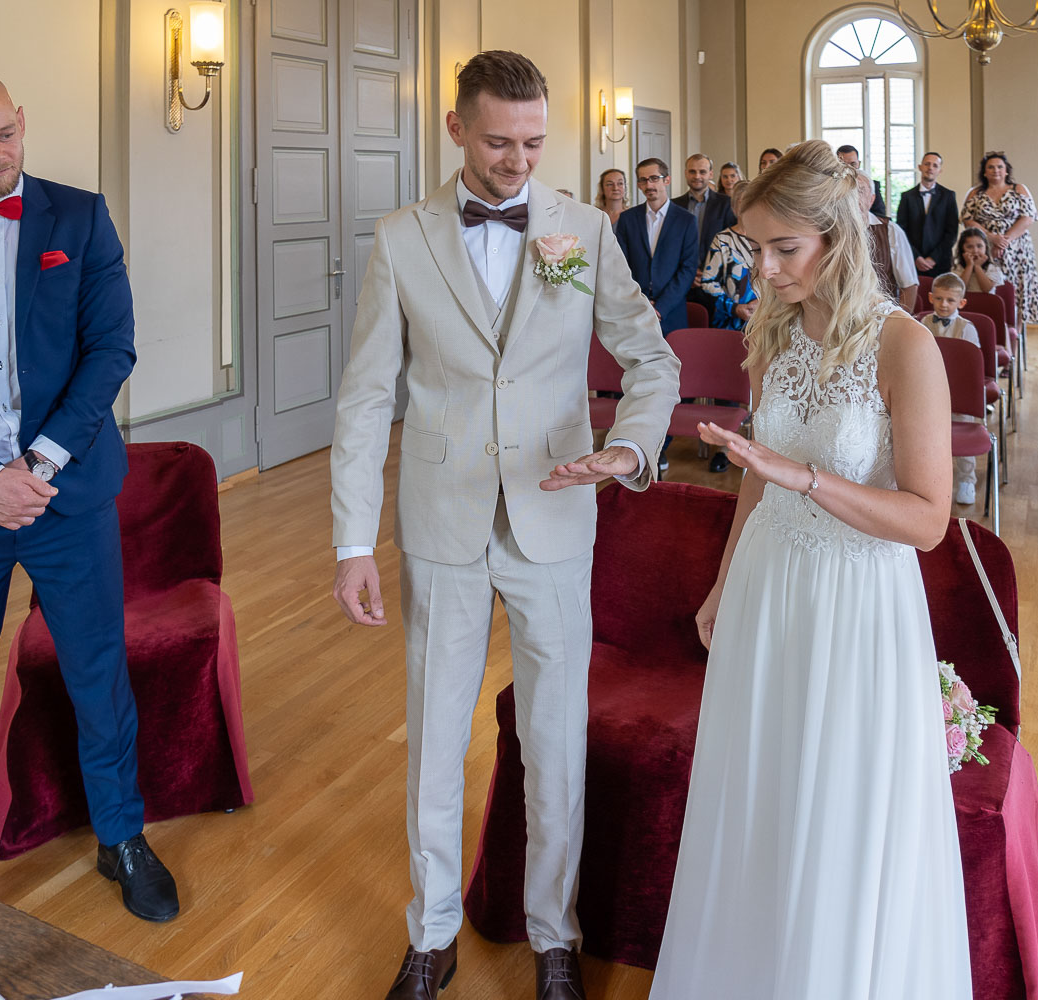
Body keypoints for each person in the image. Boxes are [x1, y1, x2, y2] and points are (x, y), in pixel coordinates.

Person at [329, 51, 680, 1000]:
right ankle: (432, 932)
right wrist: (352, 541)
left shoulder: (585, 230)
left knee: (556, 738)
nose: (517, 160)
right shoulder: (401, 238)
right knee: (435, 736)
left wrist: (630, 449)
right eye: (496, 142)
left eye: (532, 142)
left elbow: (652, 359)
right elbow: (365, 399)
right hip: (441, 520)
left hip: (556, 512)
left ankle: (553, 934)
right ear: (454, 130)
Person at [650, 138, 970, 1000]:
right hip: (768, 588)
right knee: (761, 799)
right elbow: (757, 474)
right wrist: (723, 581)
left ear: (836, 236)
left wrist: (806, 478)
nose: (763, 266)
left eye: (782, 247)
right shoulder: (777, 335)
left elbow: (929, 520)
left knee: (840, 810)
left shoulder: (906, 347)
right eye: (755, 246)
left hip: (855, 604)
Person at [0, 71, 179, 920]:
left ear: (22, 121)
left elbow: (111, 350)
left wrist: (38, 468)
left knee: (97, 676)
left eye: (5, 134)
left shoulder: (79, 217)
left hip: (66, 497)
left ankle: (122, 837)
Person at [615, 157, 701, 335]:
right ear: (638, 184)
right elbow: (621, 265)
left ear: (666, 180)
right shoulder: (627, 219)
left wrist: (661, 307)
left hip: (671, 312)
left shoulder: (686, 220)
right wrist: (641, 303)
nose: (649, 185)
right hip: (635, 310)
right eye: (643, 180)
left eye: (654, 178)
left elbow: (688, 269)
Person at [960, 151, 1038, 326]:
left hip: (1017, 250)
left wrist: (1004, 241)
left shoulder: (1019, 189)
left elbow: (1028, 217)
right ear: (984, 172)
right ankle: (987, 329)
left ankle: (1015, 337)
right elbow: (967, 219)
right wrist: (990, 238)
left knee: (1016, 293)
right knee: (988, 290)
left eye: (999, 167)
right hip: (983, 249)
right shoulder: (975, 192)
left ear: (1006, 171)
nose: (995, 170)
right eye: (991, 167)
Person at [924, 273, 984, 505]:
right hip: (929, 390)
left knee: (964, 428)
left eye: (950, 300)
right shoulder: (923, 323)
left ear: (961, 303)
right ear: (930, 298)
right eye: (938, 299)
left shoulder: (966, 328)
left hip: (957, 392)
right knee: (929, 435)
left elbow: (971, 366)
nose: (944, 304)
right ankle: (932, 480)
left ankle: (966, 479)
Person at [673, 152, 738, 318]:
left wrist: (707, 273)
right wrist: (688, 273)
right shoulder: (674, 206)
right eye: (692, 171)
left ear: (710, 174)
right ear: (686, 173)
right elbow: (670, 245)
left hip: (716, 285)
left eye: (702, 172)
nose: (697, 176)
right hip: (680, 284)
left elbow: (731, 245)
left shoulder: (725, 204)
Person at [698, 181, 758, 333]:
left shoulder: (767, 238)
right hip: (729, 324)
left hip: (766, 321)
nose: (747, 206)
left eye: (752, 201)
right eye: (742, 201)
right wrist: (734, 308)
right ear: (733, 207)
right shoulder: (722, 240)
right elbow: (708, 282)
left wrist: (762, 304)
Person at [854, 169, 917, 312]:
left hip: (879, 318)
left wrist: (899, 325)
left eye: (860, 191)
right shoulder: (830, 232)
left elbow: (908, 287)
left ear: (871, 199)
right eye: (849, 192)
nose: (853, 197)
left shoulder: (891, 231)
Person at [896, 152, 958, 278]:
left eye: (935, 165)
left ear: (940, 170)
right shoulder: (907, 197)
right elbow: (901, 231)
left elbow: (952, 232)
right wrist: (916, 257)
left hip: (940, 262)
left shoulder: (948, 196)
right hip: (913, 262)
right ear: (920, 167)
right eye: (927, 164)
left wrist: (933, 258)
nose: (930, 168)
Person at [837, 144, 887, 219]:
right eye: (843, 164)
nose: (848, 168)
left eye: (853, 164)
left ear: (859, 164)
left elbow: (880, 216)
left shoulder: (870, 186)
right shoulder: (831, 187)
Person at [951, 227, 1006, 292]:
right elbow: (960, 289)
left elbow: (986, 289)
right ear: (962, 249)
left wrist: (977, 266)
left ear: (986, 247)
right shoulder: (957, 268)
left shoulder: (992, 268)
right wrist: (969, 266)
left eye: (979, 246)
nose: (975, 251)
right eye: (969, 247)